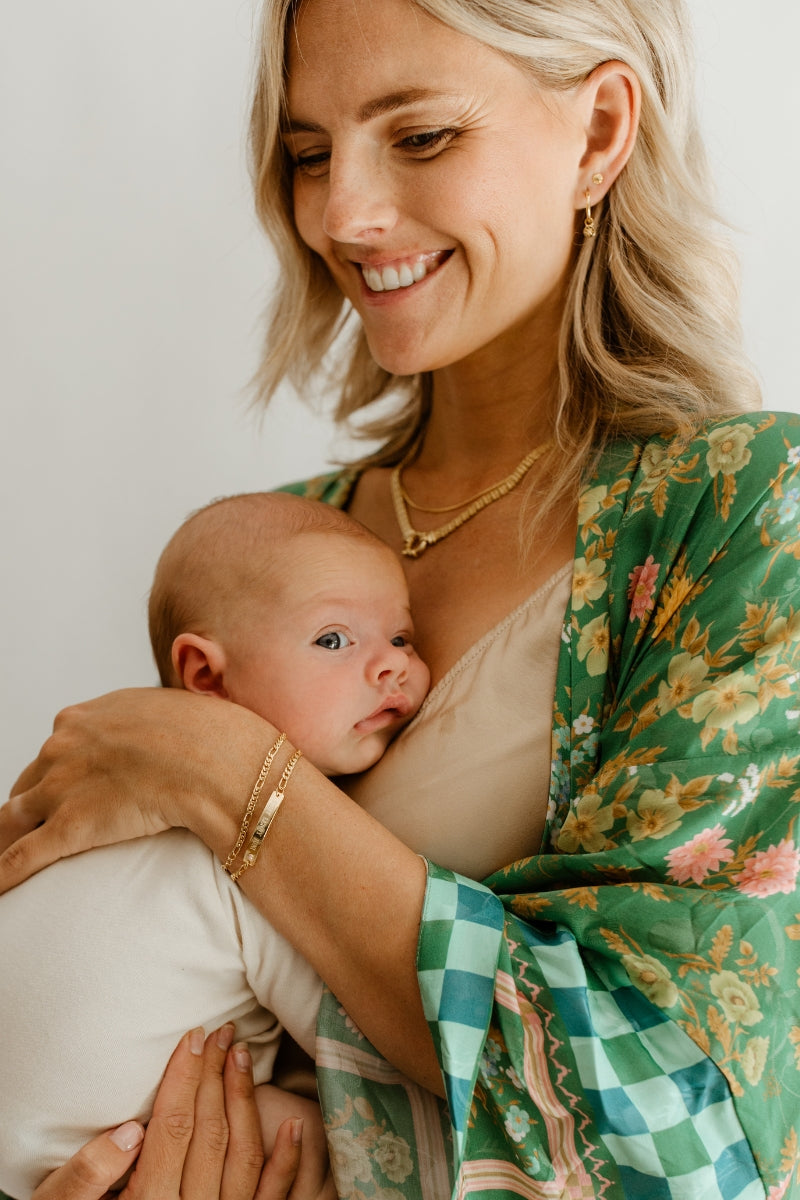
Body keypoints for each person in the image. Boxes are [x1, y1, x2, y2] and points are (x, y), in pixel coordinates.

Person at [2, 0, 800, 1197]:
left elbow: (676, 1134)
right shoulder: (276, 543)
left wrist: (222, 771)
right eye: (310, 151)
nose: (339, 213)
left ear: (595, 131)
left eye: (419, 137)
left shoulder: (740, 513)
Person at [0, 491, 429, 1200]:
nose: (390, 666)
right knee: (310, 1131)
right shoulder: (251, 855)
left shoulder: (99, 807)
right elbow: (370, 1043)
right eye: (334, 640)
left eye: (403, 638)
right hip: (113, 1161)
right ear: (205, 677)